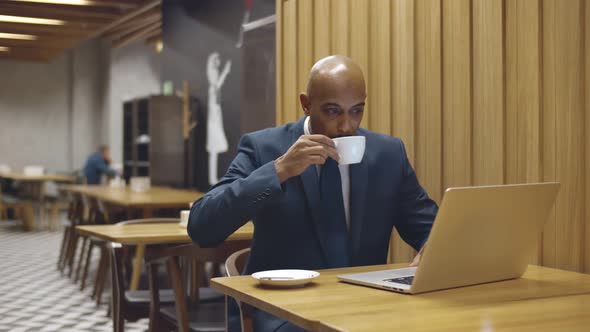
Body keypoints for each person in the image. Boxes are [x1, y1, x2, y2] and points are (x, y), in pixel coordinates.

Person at [189, 55, 438, 331]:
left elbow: (431, 228)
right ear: (306, 104)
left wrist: (429, 250)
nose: (346, 126)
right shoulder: (264, 148)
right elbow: (202, 227)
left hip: (368, 309)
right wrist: (279, 170)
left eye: (356, 110)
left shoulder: (388, 154)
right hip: (284, 314)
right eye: (333, 111)